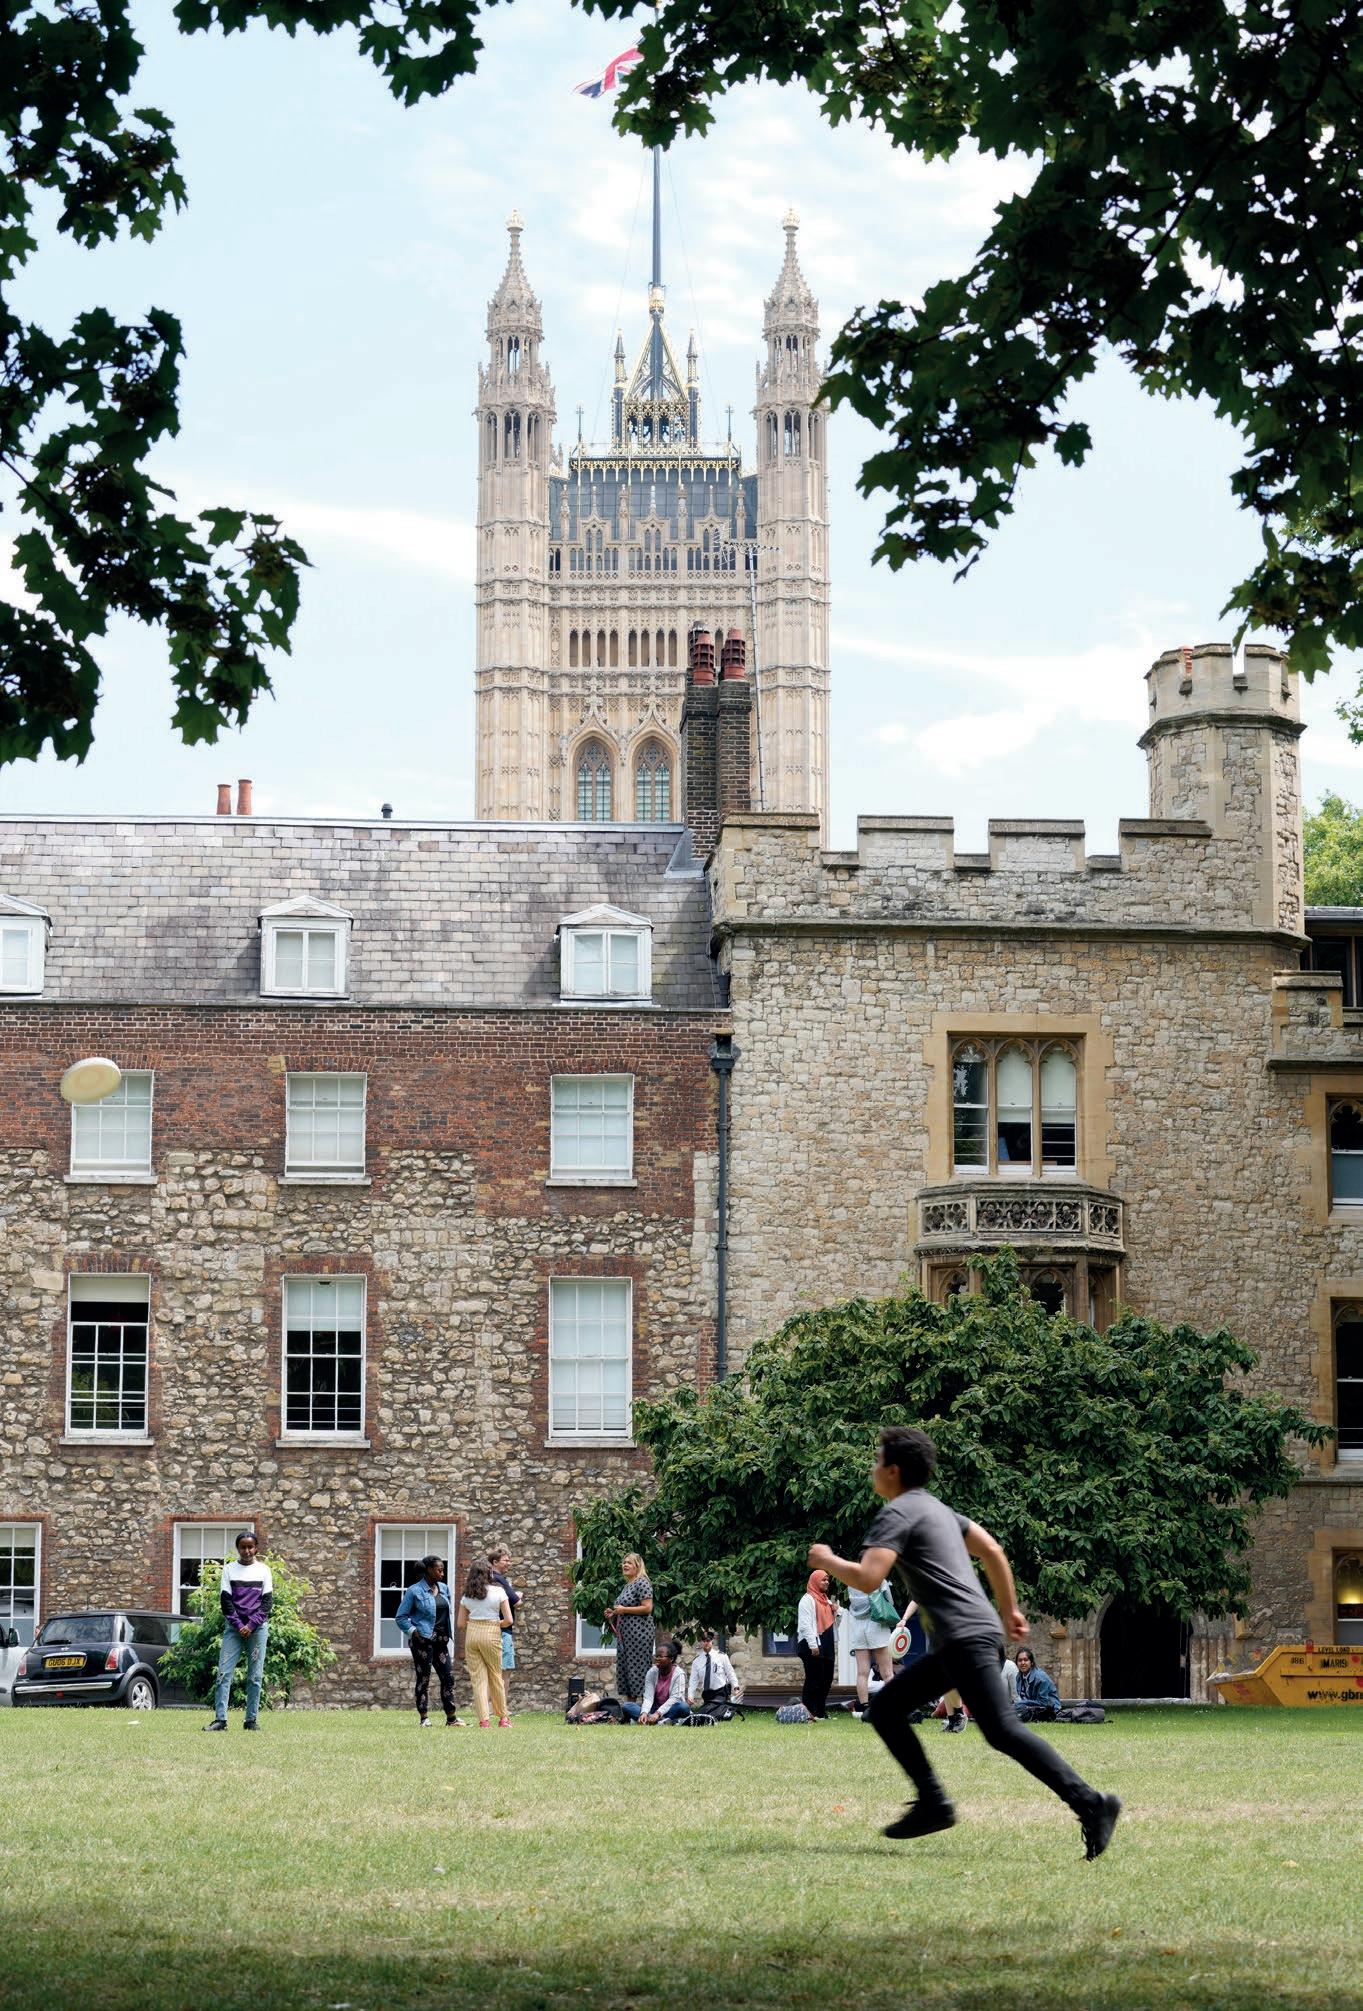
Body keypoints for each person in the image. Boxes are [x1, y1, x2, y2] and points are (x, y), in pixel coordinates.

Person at [807, 1425, 1121, 1859]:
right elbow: (992, 1551)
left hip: (962, 1638)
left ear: (893, 1471)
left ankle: (1086, 1803)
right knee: (903, 1711)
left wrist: (827, 1560)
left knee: (994, 1728)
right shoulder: (938, 1510)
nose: (873, 1467)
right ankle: (937, 1802)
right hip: (974, 1633)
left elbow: (868, 1577)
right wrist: (1009, 1610)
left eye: (878, 1460)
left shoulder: (897, 1514)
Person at [204, 1531, 272, 1732]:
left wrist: (250, 1626)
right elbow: (225, 1602)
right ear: (238, 1548)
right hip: (234, 1629)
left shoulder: (264, 1570)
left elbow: (266, 1604)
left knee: (255, 1676)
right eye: (243, 1547)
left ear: (256, 1548)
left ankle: (251, 1720)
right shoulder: (229, 1570)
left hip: (257, 1629)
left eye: (250, 1547)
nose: (247, 1550)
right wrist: (239, 1625)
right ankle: (220, 1720)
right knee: (224, 1673)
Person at [394, 1553, 464, 1729]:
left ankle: (451, 1718)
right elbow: (400, 1617)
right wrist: (414, 1632)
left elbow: (445, 1613)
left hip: (441, 1640)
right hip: (422, 1641)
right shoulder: (414, 1591)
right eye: (439, 1570)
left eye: (443, 1570)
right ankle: (424, 1718)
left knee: (448, 1677)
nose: (442, 1573)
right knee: (424, 1679)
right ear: (429, 1570)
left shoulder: (444, 1588)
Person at [457, 1560, 513, 1727]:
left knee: (478, 1679)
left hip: (472, 1634)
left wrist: (474, 1625)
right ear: (489, 1574)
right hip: (491, 1632)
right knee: (495, 1675)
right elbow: (508, 1620)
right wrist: (496, 1624)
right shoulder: (498, 1591)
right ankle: (503, 1718)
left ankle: (484, 1720)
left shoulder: (467, 1595)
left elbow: (460, 1624)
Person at [604, 1553, 655, 1705]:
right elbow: (624, 1608)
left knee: (638, 1670)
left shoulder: (642, 1583)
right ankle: (630, 1708)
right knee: (627, 1671)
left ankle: (645, 1709)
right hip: (626, 1636)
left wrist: (624, 1609)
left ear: (637, 1566)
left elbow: (647, 1608)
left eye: (629, 1563)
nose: (625, 1565)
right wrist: (614, 1613)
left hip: (639, 1634)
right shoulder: (628, 1585)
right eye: (624, 1562)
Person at [848, 1578, 897, 1718]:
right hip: (876, 1624)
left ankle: (865, 1708)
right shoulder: (878, 1579)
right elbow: (890, 1602)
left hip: (858, 1626)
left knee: (862, 1672)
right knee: (887, 1672)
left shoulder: (851, 1580)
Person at [795, 1567, 839, 1720]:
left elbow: (834, 1624)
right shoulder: (807, 1600)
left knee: (826, 1679)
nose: (827, 1582)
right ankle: (808, 1712)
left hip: (826, 1644)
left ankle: (820, 1712)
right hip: (811, 1644)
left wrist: (836, 1611)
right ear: (815, 1581)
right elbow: (805, 1625)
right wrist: (813, 1645)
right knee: (814, 1679)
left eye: (827, 1579)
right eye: (823, 1579)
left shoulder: (826, 1601)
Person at [620, 1641, 690, 1723]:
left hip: (670, 1710)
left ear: (671, 1659)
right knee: (627, 1706)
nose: (657, 1659)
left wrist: (658, 1714)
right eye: (656, 1656)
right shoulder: (652, 1672)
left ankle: (655, 1720)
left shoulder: (679, 1674)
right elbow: (648, 1697)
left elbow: (674, 1699)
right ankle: (660, 1721)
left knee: (683, 1707)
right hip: (653, 1709)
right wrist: (644, 1713)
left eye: (661, 1656)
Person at [488, 1544, 522, 1706]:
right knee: (505, 1672)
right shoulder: (499, 1579)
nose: (509, 1563)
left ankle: (489, 1707)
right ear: (495, 1562)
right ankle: (501, 1708)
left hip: (488, 1630)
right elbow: (517, 1602)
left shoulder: (486, 1579)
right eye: (506, 1560)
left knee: (491, 1672)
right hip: (503, 1631)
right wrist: (519, 1595)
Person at [687, 1628, 742, 1710]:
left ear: (712, 1641)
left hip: (720, 1692)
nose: (706, 1643)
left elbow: (730, 1673)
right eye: (704, 1641)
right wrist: (690, 1695)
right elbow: (693, 1680)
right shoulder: (697, 1661)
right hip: (707, 1694)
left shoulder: (722, 1656)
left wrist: (736, 1687)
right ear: (701, 1642)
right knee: (705, 1712)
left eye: (708, 1640)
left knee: (714, 1711)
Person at [1015, 1646, 1061, 1721]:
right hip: (1032, 1709)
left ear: (1031, 1662)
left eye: (1025, 1660)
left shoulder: (1041, 1678)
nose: (1022, 1663)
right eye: (1020, 1660)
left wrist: (1021, 1703)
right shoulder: (1019, 1677)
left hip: (1050, 1710)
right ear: (1017, 1663)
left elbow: (1043, 1702)